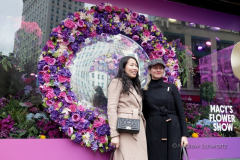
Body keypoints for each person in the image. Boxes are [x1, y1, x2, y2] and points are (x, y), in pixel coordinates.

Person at [142, 59, 188, 160]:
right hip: (153, 130)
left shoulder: (171, 88)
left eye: (161, 68)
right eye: (155, 68)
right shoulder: (144, 90)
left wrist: (184, 135)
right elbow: (143, 114)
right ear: (149, 70)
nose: (158, 70)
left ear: (163, 70)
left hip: (173, 129)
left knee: (173, 156)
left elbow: (181, 112)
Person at [107, 56, 148, 160]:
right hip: (125, 128)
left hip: (138, 127)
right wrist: (114, 135)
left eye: (136, 65)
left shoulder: (134, 85)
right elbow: (112, 108)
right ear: (123, 67)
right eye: (131, 65)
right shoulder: (117, 82)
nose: (135, 68)